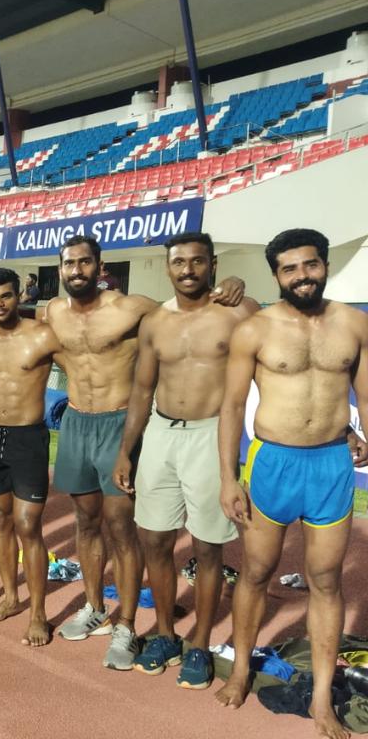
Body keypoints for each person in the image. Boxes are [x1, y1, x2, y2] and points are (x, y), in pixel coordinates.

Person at [45, 235, 244, 670]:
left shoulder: (135, 308)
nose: (76, 270)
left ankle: (128, 624)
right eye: (68, 263)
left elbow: (190, 310)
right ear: (60, 269)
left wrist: (230, 283)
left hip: (122, 422)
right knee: (86, 521)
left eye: (84, 263)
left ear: (100, 267)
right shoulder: (52, 311)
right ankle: (96, 606)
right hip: (77, 421)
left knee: (123, 527)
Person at [214, 229, 368, 739]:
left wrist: (364, 434)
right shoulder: (254, 330)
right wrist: (227, 477)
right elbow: (232, 407)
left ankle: (322, 699)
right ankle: (239, 670)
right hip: (271, 463)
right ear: (276, 274)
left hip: (330, 465)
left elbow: (365, 394)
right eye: (290, 269)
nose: (303, 275)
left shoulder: (354, 324)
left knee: (325, 581)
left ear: (325, 265)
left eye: (311, 265)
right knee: (256, 572)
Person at [110, 232, 258, 687]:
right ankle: (166, 634)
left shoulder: (239, 312)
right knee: (153, 538)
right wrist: (125, 450)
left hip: (212, 434)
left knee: (207, 546)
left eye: (197, 262)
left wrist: (242, 285)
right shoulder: (155, 321)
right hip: (159, 432)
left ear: (212, 264)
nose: (188, 270)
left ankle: (197, 645)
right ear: (168, 267)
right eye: (179, 263)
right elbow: (141, 390)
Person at [0, 267, 62, 646]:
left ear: (19, 296)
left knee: (28, 525)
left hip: (28, 438)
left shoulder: (42, 335)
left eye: (6, 296)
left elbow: (84, 361)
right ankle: (11, 597)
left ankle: (39, 615)